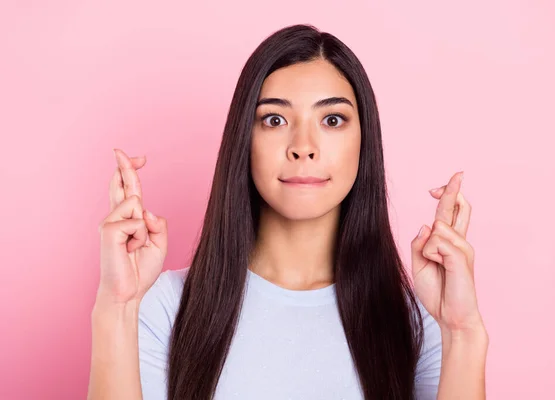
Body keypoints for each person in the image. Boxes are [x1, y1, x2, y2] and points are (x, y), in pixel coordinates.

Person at [88, 24, 488, 400]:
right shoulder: (164, 306)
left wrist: (463, 333)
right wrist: (117, 308)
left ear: (365, 144)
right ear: (244, 139)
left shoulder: (420, 320)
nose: (304, 146)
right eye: (275, 119)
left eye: (332, 120)